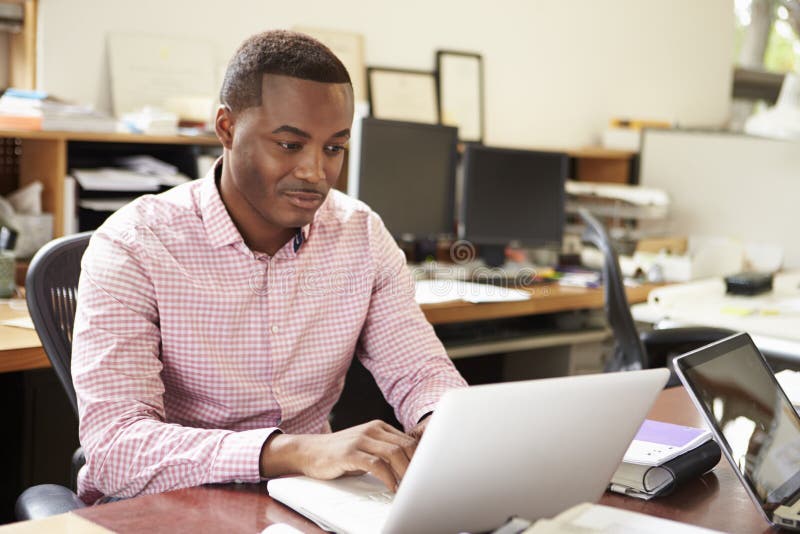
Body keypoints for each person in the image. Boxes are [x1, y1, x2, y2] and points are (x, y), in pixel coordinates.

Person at [71, 29, 467, 504]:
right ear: (226, 128)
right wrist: (291, 451)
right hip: (169, 503)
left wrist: (438, 424)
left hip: (310, 500)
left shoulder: (361, 236)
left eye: (334, 148)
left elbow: (420, 372)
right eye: (289, 145)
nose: (315, 172)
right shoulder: (134, 245)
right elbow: (116, 451)